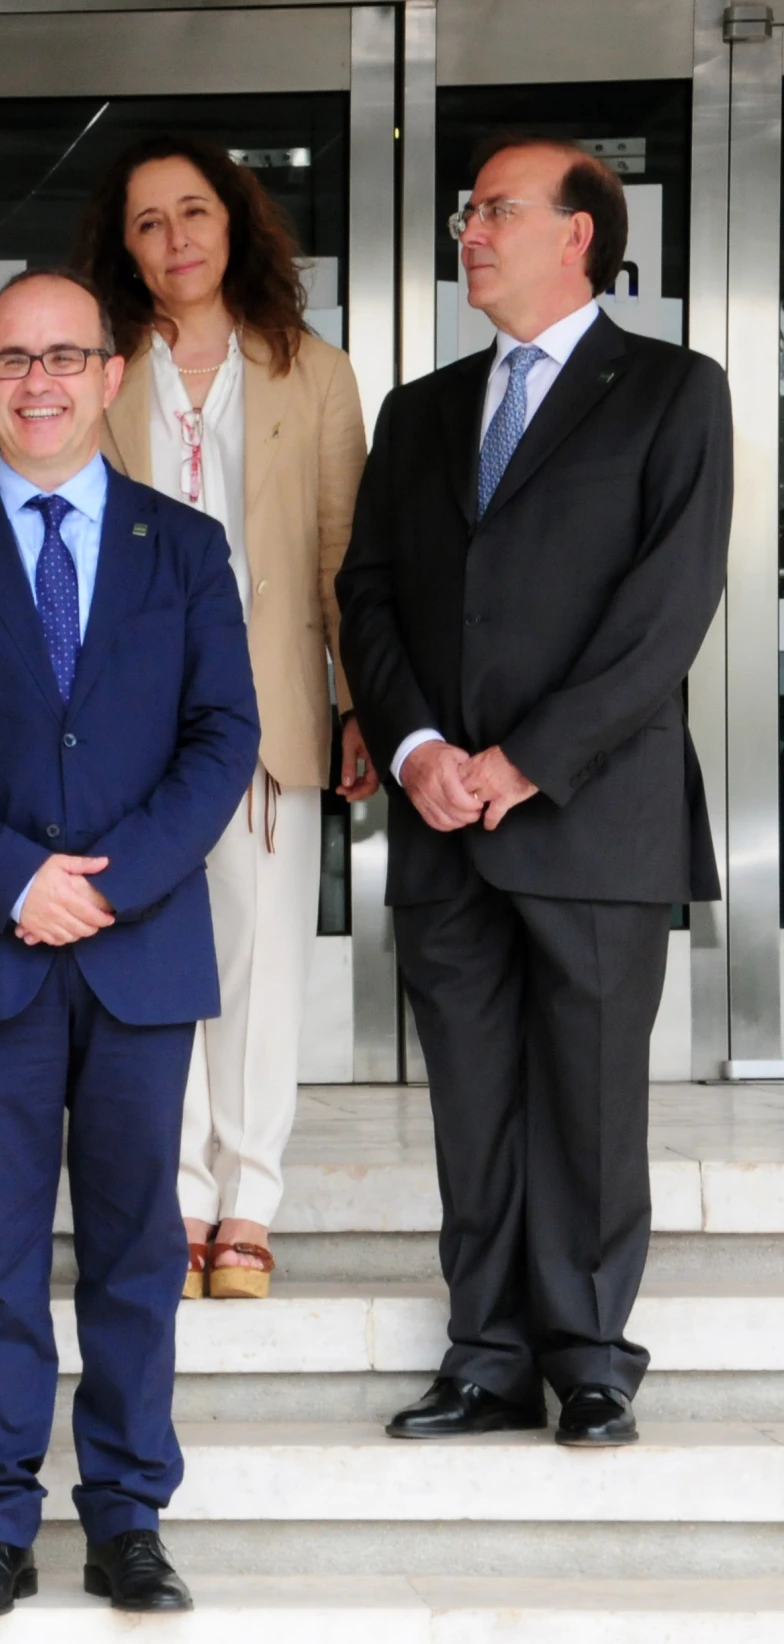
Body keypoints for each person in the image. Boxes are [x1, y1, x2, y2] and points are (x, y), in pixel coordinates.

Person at [0, 269, 258, 1617]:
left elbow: (225, 742)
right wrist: (14, 879)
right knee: (0, 1252)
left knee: (141, 1245)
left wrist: (115, 881)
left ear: (107, 375)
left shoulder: (184, 546)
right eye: (12, 360)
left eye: (65, 357)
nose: (39, 381)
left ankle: (130, 1513)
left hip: (139, 955)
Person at [336, 136, 729, 1448]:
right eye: (467, 213)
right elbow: (370, 597)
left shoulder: (673, 392)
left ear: (581, 234)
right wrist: (416, 751)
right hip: (446, 826)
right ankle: (486, 1356)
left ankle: (592, 1355)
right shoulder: (422, 409)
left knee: (592, 1106)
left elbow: (664, 614)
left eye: (498, 209)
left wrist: (524, 760)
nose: (471, 230)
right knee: (475, 1109)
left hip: (592, 820)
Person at [73, 134, 374, 1302]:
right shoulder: (100, 366)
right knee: (152, 954)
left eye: (191, 213)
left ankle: (247, 1199)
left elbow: (345, 553)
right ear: (124, 247)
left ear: (234, 222)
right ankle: (176, 1196)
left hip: (272, 703)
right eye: (146, 223)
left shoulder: (310, 367)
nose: (173, 240)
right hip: (130, 713)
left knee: (258, 958)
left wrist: (359, 702)